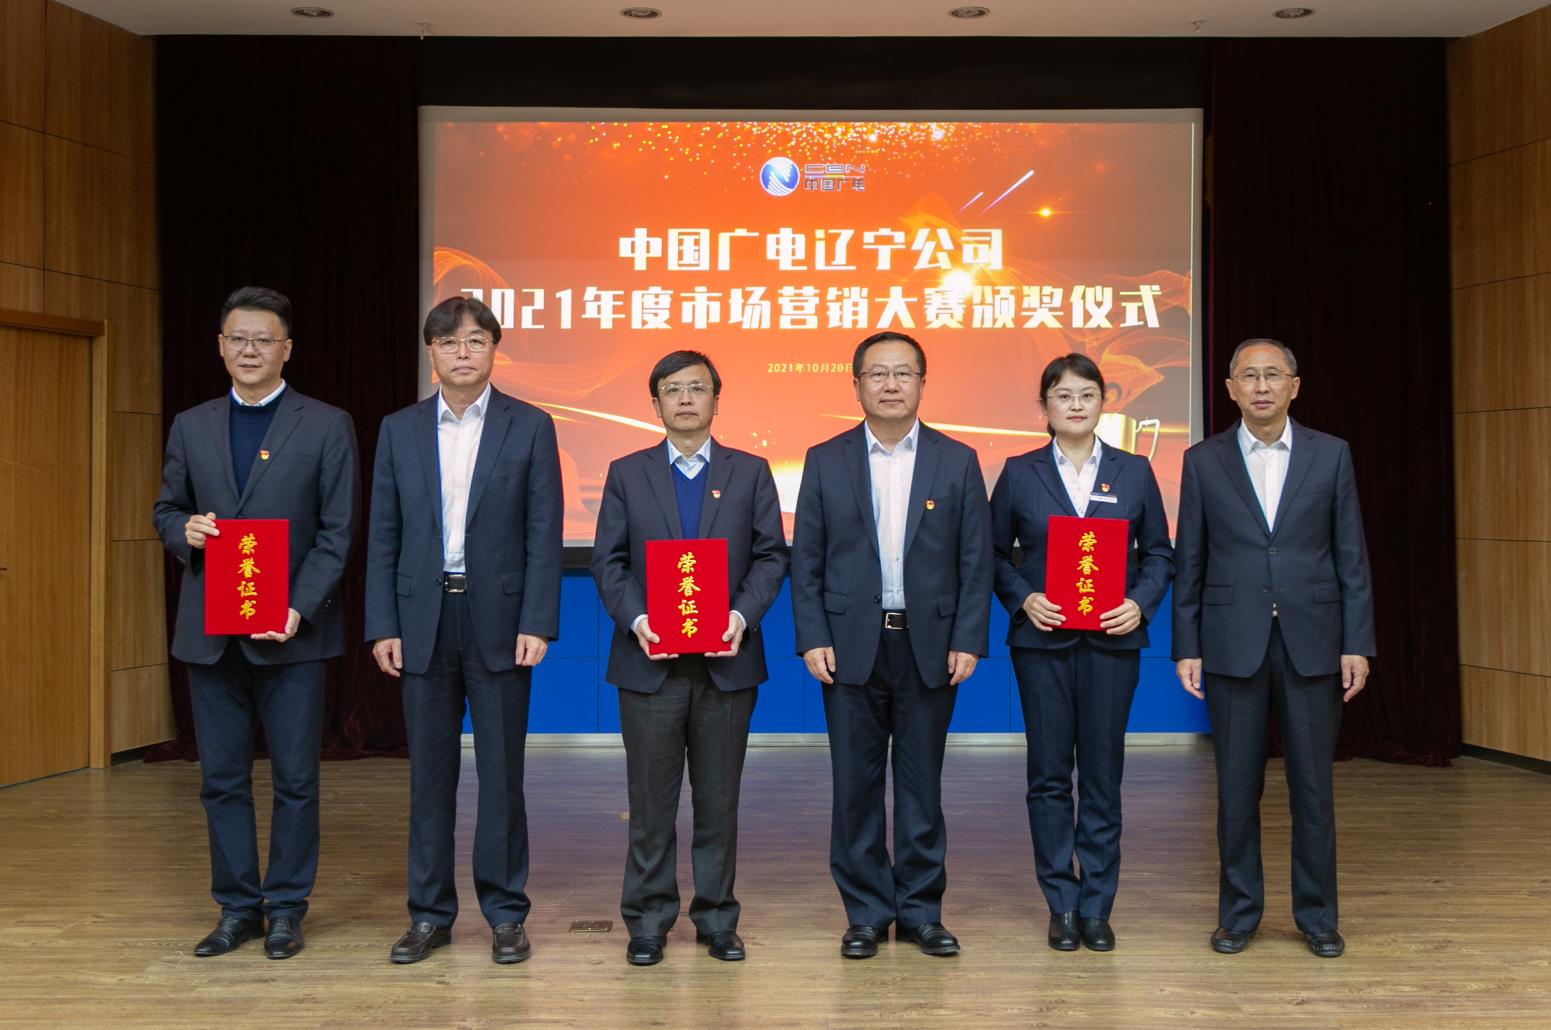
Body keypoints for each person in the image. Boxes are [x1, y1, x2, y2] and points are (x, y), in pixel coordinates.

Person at [152, 286, 359, 960]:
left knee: (296, 781)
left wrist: (298, 607)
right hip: (211, 634)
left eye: (263, 340)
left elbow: (337, 532)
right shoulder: (191, 424)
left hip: (291, 635)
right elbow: (166, 509)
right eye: (238, 339)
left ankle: (286, 909)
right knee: (221, 780)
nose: (250, 350)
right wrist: (183, 530)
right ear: (220, 346)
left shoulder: (325, 424)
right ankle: (236, 907)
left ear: (286, 349)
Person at [364, 296, 563, 965]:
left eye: (476, 340)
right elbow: (383, 532)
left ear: (493, 349)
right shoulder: (399, 429)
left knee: (502, 777)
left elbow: (543, 530)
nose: (462, 352)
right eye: (449, 342)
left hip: (500, 622)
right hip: (421, 619)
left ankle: (505, 914)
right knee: (429, 779)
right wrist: (382, 623)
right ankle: (429, 914)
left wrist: (538, 619)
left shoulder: (529, 426)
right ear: (432, 353)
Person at [790, 331, 993, 960]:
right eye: (876, 374)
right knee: (854, 788)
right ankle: (867, 914)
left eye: (903, 373)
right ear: (856, 385)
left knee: (920, 787)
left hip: (930, 644)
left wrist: (969, 637)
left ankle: (922, 911)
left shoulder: (957, 459)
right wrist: (812, 636)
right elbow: (807, 560)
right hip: (849, 645)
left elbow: (976, 560)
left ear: (922, 383)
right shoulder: (825, 458)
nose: (890, 384)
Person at [1172, 338, 1375, 959]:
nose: (1261, 386)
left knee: (1313, 789)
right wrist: (1187, 645)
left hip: (1314, 642)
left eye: (1272, 375)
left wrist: (1357, 643)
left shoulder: (1330, 454)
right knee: (1236, 790)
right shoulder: (1202, 461)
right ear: (1229, 388)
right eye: (1248, 376)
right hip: (1231, 643)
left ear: (1295, 385)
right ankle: (1238, 914)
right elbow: (1190, 560)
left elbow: (1351, 555)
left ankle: (1317, 917)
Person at [590, 350, 789, 967]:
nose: (684, 399)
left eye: (696, 388)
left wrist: (740, 616)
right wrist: (640, 621)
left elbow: (771, 556)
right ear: (655, 403)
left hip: (726, 663)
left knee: (718, 802)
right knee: (650, 804)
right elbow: (608, 561)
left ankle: (717, 919)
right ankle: (648, 921)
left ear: (715, 400)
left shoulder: (749, 472)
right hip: (649, 664)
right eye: (672, 389)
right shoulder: (627, 472)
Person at [989, 353, 1173, 953]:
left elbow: (1160, 554)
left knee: (1101, 774)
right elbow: (992, 554)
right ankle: (1061, 903)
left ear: (1103, 402)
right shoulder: (1019, 472)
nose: (1075, 405)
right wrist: (1024, 599)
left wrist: (1140, 604)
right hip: (1041, 644)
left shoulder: (1134, 471)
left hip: (1112, 644)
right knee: (1047, 776)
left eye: (1086, 394)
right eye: (1063, 395)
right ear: (1044, 406)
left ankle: (1096, 905)